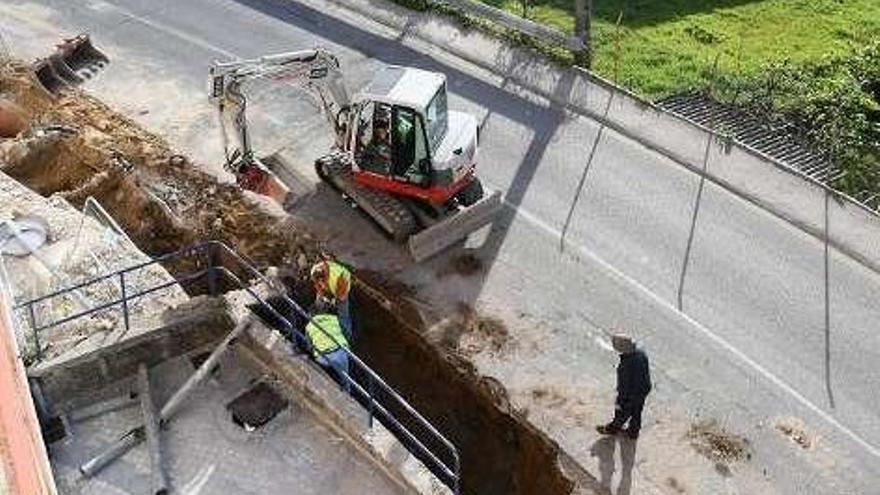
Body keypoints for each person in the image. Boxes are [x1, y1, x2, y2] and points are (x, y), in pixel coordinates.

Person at [596, 334, 652, 439]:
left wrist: (620, 402)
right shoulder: (641, 353)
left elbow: (624, 387)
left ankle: (612, 429)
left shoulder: (625, 366)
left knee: (622, 411)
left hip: (633, 392)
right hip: (644, 387)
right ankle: (633, 432)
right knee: (637, 411)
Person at [310, 257, 353, 341]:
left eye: (322, 281)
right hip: (329, 288)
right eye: (319, 281)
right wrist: (323, 295)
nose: (321, 284)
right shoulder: (314, 271)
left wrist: (333, 301)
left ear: (325, 276)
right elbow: (317, 286)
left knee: (343, 313)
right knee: (319, 305)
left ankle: (346, 336)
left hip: (341, 291)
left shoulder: (340, 277)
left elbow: (341, 296)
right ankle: (317, 325)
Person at [305, 313, 351, 391]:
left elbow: (309, 347)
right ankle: (346, 390)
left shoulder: (309, 326)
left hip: (324, 356)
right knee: (345, 377)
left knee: (320, 364)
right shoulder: (334, 318)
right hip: (341, 350)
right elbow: (346, 334)